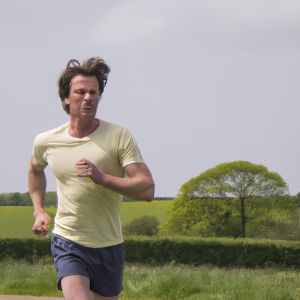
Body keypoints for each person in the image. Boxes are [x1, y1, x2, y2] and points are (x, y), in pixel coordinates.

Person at [28, 57, 155, 300]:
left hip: (109, 245)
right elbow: (35, 170)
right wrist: (39, 210)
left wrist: (103, 178)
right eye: (80, 92)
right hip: (68, 241)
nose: (88, 97)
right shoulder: (46, 141)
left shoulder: (119, 136)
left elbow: (147, 189)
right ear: (66, 98)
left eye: (93, 92)